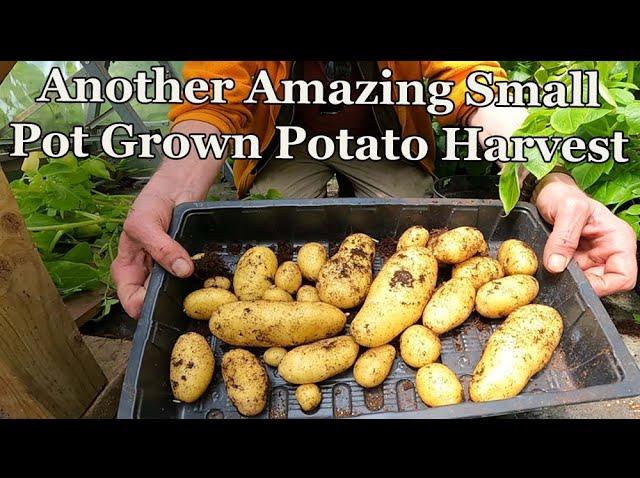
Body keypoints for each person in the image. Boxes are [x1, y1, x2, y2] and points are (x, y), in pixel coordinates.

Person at [112, 61, 638, 319]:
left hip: (382, 134)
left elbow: (474, 83)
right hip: (286, 139)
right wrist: (170, 186)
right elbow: (214, 98)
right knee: (267, 229)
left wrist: (552, 178)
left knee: (416, 225)